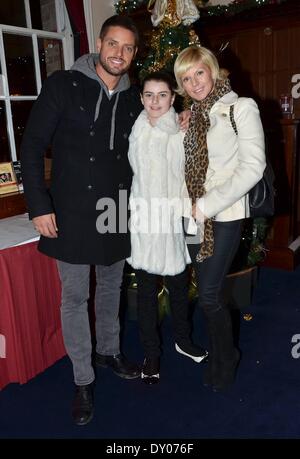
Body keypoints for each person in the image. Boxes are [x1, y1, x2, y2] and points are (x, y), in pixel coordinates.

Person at [21, 15, 144, 426]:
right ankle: (83, 378)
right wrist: (39, 205)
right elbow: (33, 145)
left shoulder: (134, 98)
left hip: (116, 211)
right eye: (113, 44)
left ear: (134, 53)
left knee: (111, 288)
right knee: (74, 297)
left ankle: (108, 352)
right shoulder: (63, 85)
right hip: (71, 212)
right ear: (98, 43)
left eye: (128, 48)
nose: (119, 54)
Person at [174, 45, 266, 391]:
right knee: (206, 291)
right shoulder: (191, 116)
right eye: (186, 77)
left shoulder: (240, 108)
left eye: (199, 72)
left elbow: (253, 166)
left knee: (210, 294)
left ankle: (227, 356)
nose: (194, 82)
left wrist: (208, 205)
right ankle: (221, 349)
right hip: (191, 216)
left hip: (223, 213)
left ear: (212, 70)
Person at [127, 71, 208, 385]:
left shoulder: (180, 129)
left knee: (178, 286)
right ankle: (151, 353)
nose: (155, 101)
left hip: (174, 220)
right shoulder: (136, 129)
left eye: (162, 95)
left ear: (173, 98)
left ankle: (183, 340)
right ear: (141, 97)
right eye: (149, 94)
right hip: (144, 221)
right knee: (146, 291)